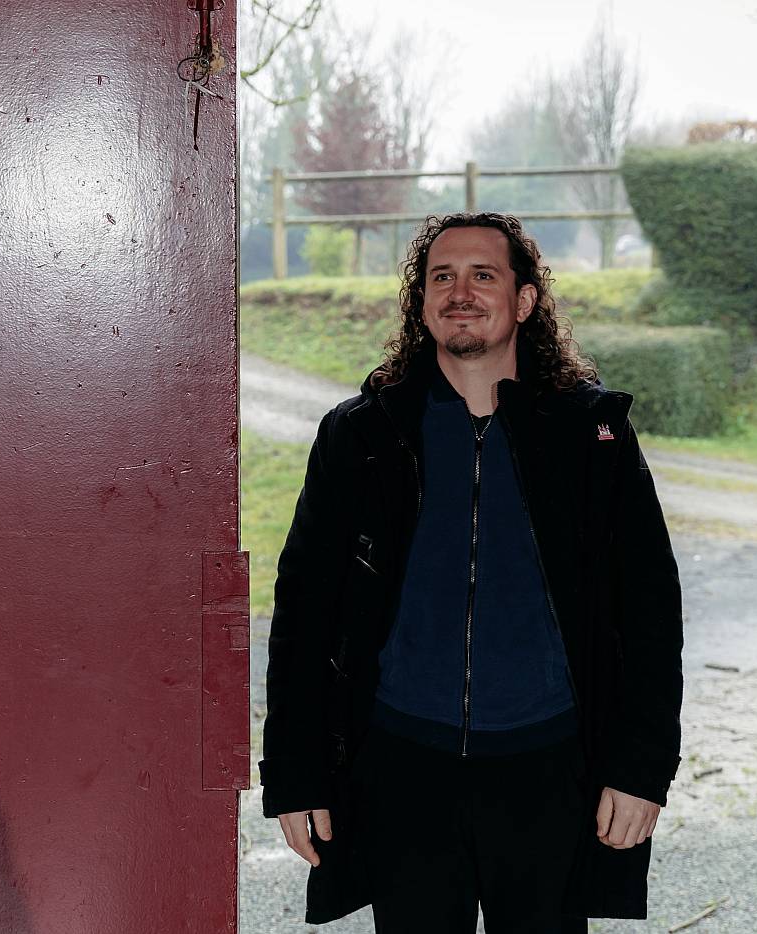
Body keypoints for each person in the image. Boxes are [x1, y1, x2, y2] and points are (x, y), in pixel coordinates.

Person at [259, 212, 684, 932]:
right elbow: (304, 616)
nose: (460, 291)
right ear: (420, 302)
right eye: (441, 276)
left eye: (483, 274)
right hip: (401, 766)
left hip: (549, 765)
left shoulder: (591, 437)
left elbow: (648, 612)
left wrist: (640, 770)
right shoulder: (362, 436)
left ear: (522, 301)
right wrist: (296, 777)